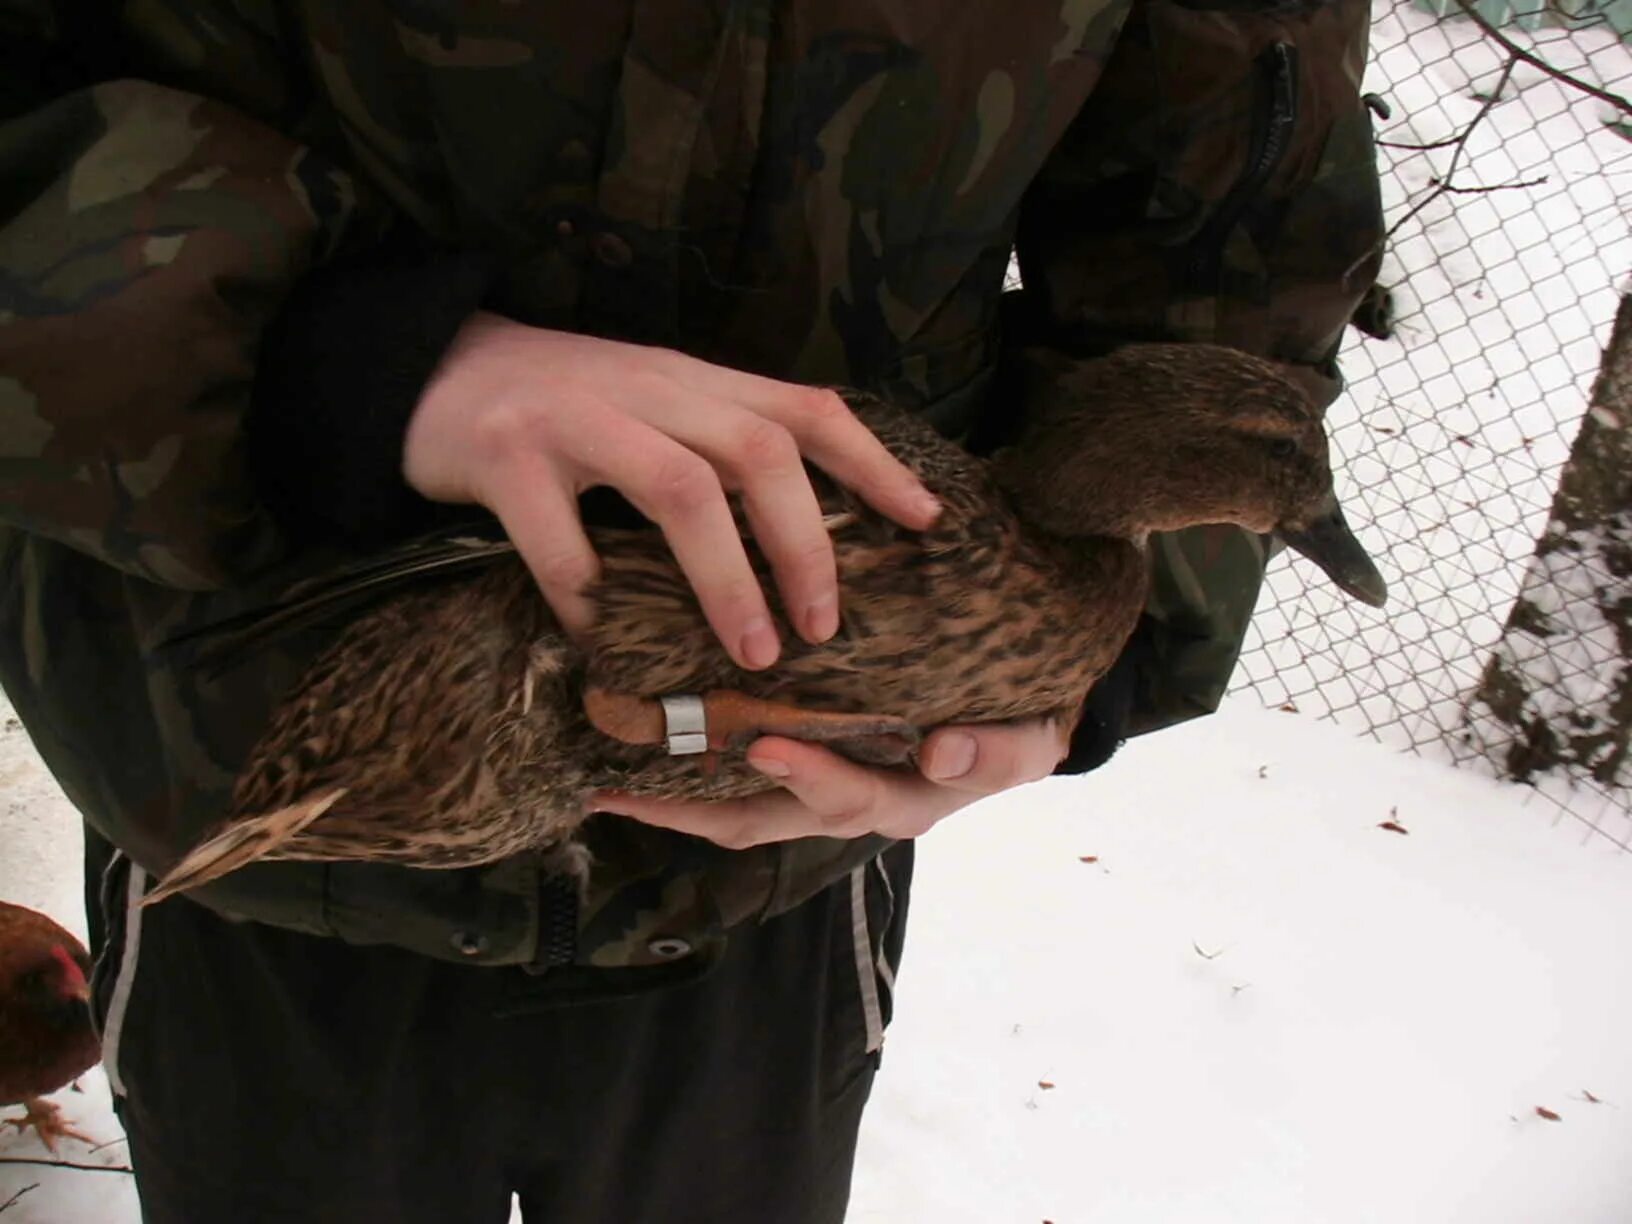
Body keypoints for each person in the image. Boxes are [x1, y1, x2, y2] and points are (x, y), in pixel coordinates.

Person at [0, 2, 1382, 1220]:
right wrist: (328, 361)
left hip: (767, 893)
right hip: (253, 782)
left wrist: (1094, 666)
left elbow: (1228, 260)